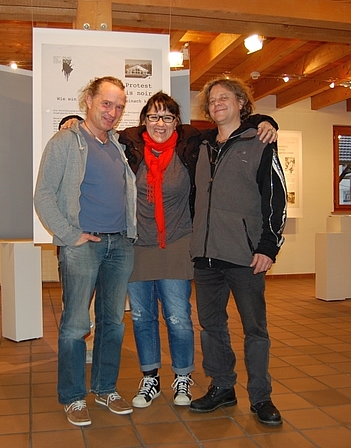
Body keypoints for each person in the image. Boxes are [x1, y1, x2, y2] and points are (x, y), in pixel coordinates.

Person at [61, 93, 277, 409]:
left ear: (177, 121)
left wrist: (264, 121)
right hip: (139, 246)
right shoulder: (129, 146)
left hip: (178, 243)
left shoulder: (190, 144)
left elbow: (230, 125)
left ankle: (182, 377)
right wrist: (75, 122)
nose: (160, 123)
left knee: (178, 318)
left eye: (167, 117)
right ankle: (150, 377)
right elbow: (98, 128)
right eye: (153, 116)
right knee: (142, 317)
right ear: (143, 121)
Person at [34, 76, 137, 427]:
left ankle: (105, 388)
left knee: (113, 323)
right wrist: (69, 235)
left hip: (119, 244)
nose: (113, 112)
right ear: (89, 101)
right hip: (83, 245)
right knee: (76, 324)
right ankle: (73, 396)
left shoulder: (119, 146)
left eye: (119, 106)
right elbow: (43, 194)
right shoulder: (66, 141)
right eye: (107, 103)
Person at [188, 75, 287, 427]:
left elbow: (276, 199)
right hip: (205, 256)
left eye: (225, 97)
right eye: (212, 100)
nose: (217, 104)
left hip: (246, 256)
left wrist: (268, 247)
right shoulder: (200, 145)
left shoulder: (261, 143)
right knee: (211, 327)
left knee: (255, 330)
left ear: (241, 103)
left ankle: (261, 397)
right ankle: (222, 387)